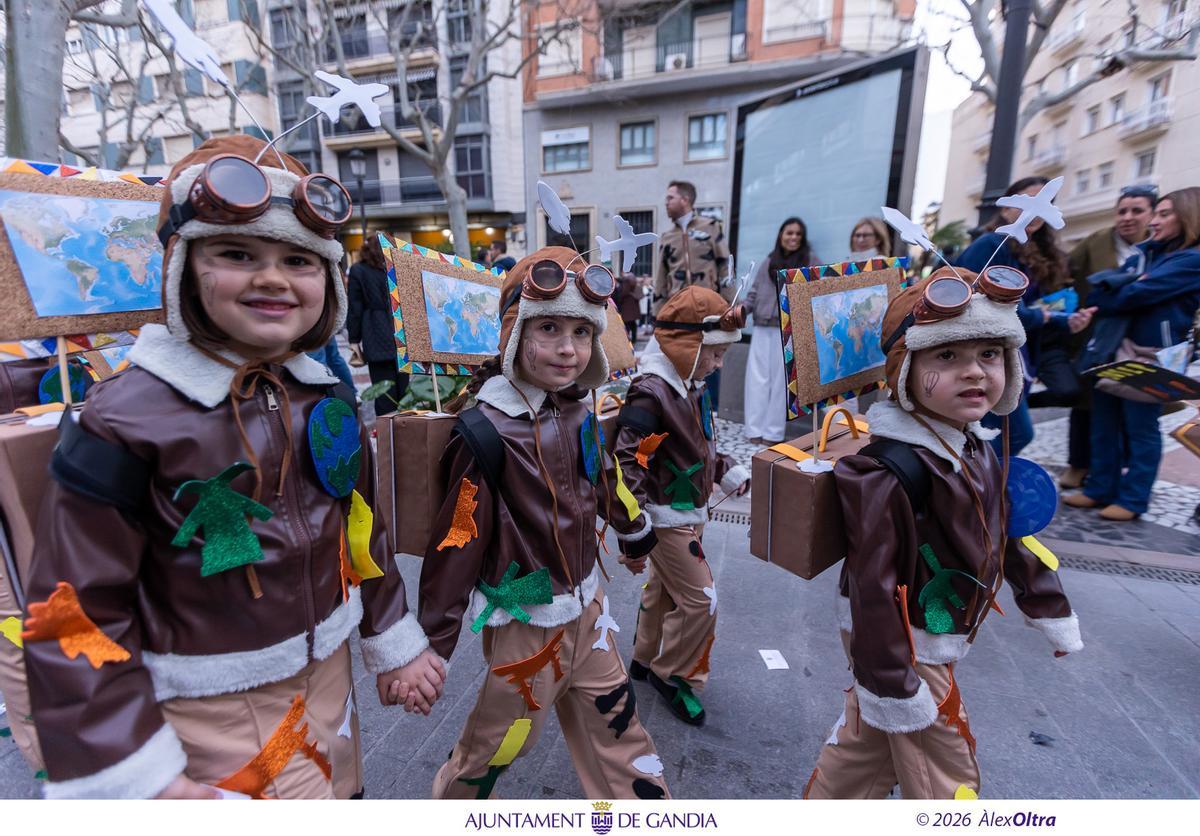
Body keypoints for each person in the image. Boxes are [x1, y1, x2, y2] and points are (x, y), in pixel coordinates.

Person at [21, 136, 445, 799]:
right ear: (183, 268)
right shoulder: (123, 420)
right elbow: (73, 612)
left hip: (330, 674)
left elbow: (360, 526)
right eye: (237, 253)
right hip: (215, 706)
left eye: (299, 260)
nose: (272, 277)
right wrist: (138, 774)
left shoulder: (326, 396)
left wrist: (392, 635)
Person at [805, 269, 1083, 799]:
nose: (975, 373)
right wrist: (891, 680)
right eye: (947, 357)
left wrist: (1046, 603)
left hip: (935, 629)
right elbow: (871, 581)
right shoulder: (887, 470)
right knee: (949, 771)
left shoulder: (976, 446)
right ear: (906, 370)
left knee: (862, 758)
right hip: (903, 638)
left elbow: (1010, 532)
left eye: (990, 354)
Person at [418, 246, 667, 800]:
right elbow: (457, 540)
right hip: (528, 624)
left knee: (620, 729)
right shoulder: (484, 430)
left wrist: (633, 528)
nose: (567, 348)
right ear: (513, 333)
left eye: (582, 332)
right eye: (548, 328)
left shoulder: (577, 407)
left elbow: (600, 478)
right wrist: (431, 645)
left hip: (590, 608)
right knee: (498, 748)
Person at [614, 287, 749, 726]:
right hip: (664, 516)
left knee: (665, 590)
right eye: (713, 353)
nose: (718, 364)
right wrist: (634, 529)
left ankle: (645, 657)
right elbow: (627, 460)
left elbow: (700, 446)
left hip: (689, 509)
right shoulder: (651, 392)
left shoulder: (688, 385)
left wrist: (725, 469)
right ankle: (674, 675)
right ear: (686, 347)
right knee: (701, 599)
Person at [1063, 187, 1200, 521]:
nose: (1155, 221)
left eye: (1164, 214)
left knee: (1140, 429)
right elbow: (1116, 289)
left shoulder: (1191, 259)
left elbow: (1131, 295)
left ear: (1188, 216)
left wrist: (1114, 289)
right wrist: (1118, 288)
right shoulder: (1149, 253)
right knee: (1104, 423)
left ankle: (1134, 499)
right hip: (1114, 349)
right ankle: (1099, 489)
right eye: (1158, 213)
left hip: (1150, 355)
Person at [956, 176, 1094, 456]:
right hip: (986, 353)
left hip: (1014, 353)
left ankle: (979, 488)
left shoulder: (1033, 252)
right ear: (1007, 206)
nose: (1036, 211)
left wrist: (1060, 318)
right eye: (1028, 201)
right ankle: (972, 486)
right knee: (1013, 433)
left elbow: (1022, 305)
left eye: (1046, 204)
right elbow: (979, 302)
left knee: (999, 434)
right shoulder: (993, 244)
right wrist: (1045, 318)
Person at [1056, 185, 1157, 488]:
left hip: (1140, 342)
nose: (1127, 217)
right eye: (1122, 210)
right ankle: (1079, 465)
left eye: (1136, 210)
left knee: (1136, 414)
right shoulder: (1098, 241)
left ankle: (1120, 474)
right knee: (1087, 406)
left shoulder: (1160, 249)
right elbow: (1065, 272)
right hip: (1095, 337)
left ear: (1151, 214)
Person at [742, 217, 818, 444]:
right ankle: (753, 430)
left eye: (797, 234)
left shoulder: (810, 260)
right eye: (789, 233)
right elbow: (754, 293)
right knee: (756, 380)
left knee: (780, 385)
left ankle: (772, 433)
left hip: (788, 331)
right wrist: (741, 310)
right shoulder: (769, 260)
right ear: (781, 235)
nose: (793, 237)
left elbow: (818, 290)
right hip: (762, 327)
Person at [655, 181, 732, 407]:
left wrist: (727, 305)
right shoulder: (667, 237)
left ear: (685, 200)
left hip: (711, 310)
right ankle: (681, 405)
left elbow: (725, 266)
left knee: (712, 355)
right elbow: (660, 277)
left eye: (670, 198)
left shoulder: (710, 228)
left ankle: (710, 409)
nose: (666, 203)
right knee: (681, 357)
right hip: (680, 313)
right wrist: (658, 315)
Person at [348, 235, 408, 417]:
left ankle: (387, 432)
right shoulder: (396, 268)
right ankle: (407, 426)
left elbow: (355, 307)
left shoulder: (358, 270)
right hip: (399, 327)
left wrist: (354, 338)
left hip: (373, 330)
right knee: (404, 388)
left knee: (382, 390)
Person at [614, 270, 642, 345]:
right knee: (633, 324)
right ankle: (633, 339)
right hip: (633, 305)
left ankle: (627, 339)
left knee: (627, 323)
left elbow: (624, 292)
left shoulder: (626, 280)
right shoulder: (633, 279)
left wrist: (620, 298)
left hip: (627, 305)